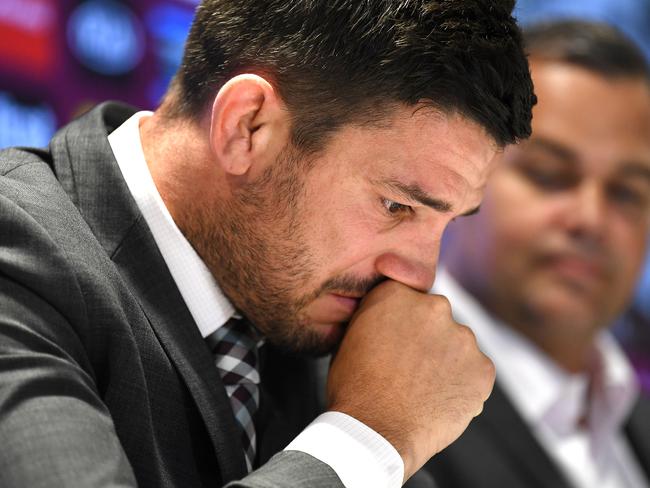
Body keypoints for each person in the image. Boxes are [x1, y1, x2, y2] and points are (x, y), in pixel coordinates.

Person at [0, 1, 534, 487]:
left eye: (451, 223)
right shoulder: (15, 247)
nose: (419, 276)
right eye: (397, 206)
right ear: (246, 126)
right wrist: (367, 440)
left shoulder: (326, 318)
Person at [422, 20, 650, 488]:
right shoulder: (372, 402)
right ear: (464, 173)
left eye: (627, 193)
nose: (591, 218)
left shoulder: (637, 421)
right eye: (548, 174)